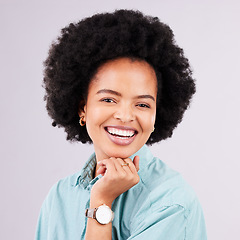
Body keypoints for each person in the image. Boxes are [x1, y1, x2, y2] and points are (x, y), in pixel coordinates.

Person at [35, 9, 207, 240]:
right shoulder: (59, 197)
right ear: (82, 108)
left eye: (143, 105)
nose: (125, 116)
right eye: (108, 99)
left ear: (157, 115)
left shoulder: (171, 202)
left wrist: (101, 203)